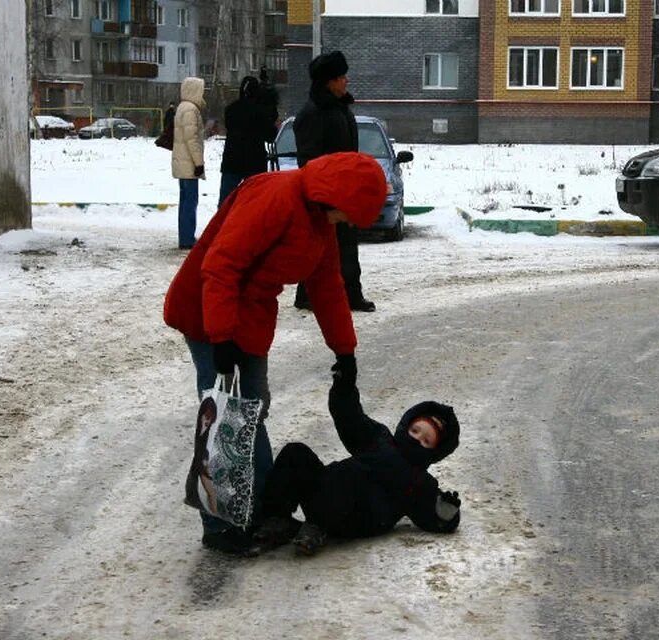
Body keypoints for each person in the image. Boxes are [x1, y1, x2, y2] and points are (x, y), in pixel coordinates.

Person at [163, 151, 387, 556]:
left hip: (247, 319)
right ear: (339, 196)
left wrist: (345, 350)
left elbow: (327, 287)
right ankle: (220, 524)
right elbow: (221, 266)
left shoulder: (320, 223)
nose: (352, 224)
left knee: (252, 410)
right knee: (226, 418)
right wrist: (221, 338)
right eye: (354, 214)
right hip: (207, 310)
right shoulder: (277, 197)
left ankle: (260, 510)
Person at [252, 355, 462, 556]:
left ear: (433, 453)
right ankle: (276, 518)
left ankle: (317, 527)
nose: (417, 440)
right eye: (416, 431)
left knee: (354, 472)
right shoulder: (380, 438)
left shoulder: (418, 480)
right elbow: (350, 419)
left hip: (359, 518)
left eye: (425, 441)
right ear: (406, 425)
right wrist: (344, 387)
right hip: (327, 492)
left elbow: (432, 516)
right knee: (295, 453)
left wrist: (447, 511)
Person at [293, 51, 376, 313]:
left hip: (344, 190)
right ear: (328, 81)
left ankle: (352, 294)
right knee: (320, 248)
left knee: (347, 245)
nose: (346, 81)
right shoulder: (313, 112)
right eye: (341, 77)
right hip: (325, 193)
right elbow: (308, 159)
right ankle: (306, 295)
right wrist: (320, 195)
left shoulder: (340, 108)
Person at [219, 76, 279, 206]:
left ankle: (222, 224)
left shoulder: (231, 110)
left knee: (225, 200)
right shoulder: (260, 112)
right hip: (254, 162)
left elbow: (230, 127)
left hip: (232, 159)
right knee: (255, 201)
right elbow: (270, 135)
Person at [172, 77, 206, 250]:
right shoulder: (191, 109)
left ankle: (185, 236)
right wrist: (199, 163)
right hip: (189, 164)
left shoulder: (182, 108)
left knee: (185, 200)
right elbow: (192, 139)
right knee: (190, 202)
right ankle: (187, 238)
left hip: (182, 162)